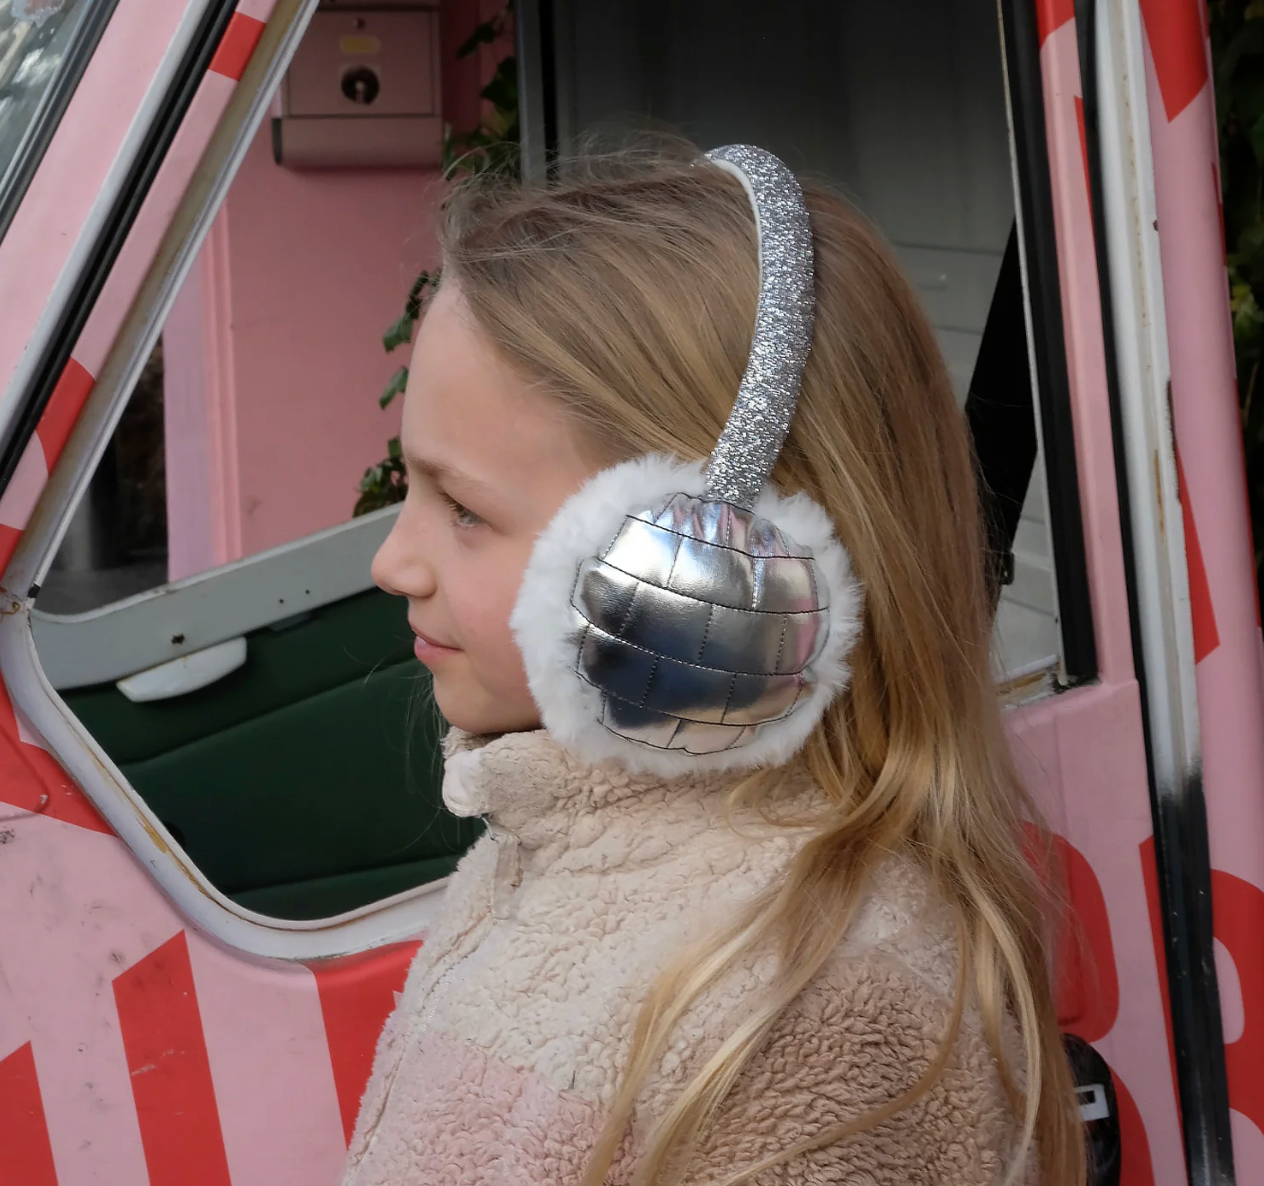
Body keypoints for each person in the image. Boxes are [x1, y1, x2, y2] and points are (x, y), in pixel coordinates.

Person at [342, 138, 1084, 1186]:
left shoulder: (814, 1010)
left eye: (462, 508)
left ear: (705, 573)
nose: (390, 561)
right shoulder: (541, 843)